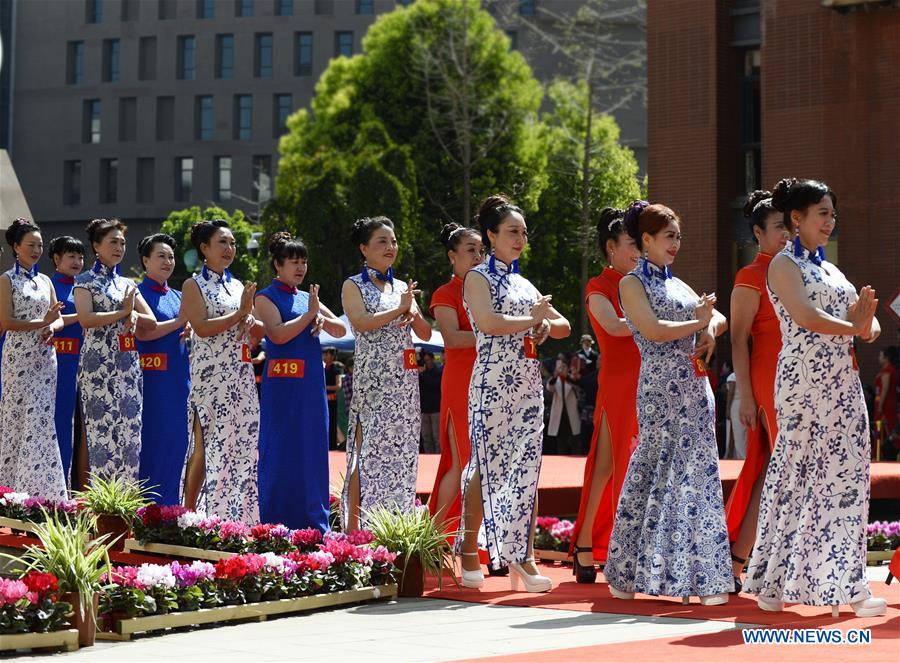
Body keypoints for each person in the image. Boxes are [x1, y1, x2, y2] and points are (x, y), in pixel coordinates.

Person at [744, 178, 885, 618]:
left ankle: (851, 586)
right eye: (822, 213)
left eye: (832, 213)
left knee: (848, 478)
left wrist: (864, 325)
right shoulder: (782, 265)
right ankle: (771, 579)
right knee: (794, 476)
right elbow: (806, 316)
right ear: (797, 218)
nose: (830, 220)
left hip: (843, 381)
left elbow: (866, 324)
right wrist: (855, 326)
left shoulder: (831, 268)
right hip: (804, 383)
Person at [605, 201, 732, 606]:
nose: (676, 243)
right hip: (660, 391)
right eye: (669, 236)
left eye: (678, 236)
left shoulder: (678, 284)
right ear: (646, 240)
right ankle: (626, 572)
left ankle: (703, 579)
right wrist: (699, 322)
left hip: (695, 391)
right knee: (654, 473)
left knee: (699, 478)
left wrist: (709, 327)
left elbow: (719, 317)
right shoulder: (631, 283)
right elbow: (654, 330)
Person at [460, 194, 571, 593]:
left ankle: (521, 556)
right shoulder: (477, 277)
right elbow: (488, 322)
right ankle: (469, 547)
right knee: (485, 463)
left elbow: (564, 326)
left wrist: (541, 325)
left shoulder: (524, 281)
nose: (520, 238)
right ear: (491, 235)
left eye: (524, 232)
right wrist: (533, 319)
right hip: (492, 379)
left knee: (526, 466)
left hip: (527, 382)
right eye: (512, 232)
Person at [340, 216, 432, 531]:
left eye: (393, 241)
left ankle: (395, 525)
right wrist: (399, 308)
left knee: (402, 453)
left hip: (405, 384)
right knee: (364, 454)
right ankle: (354, 529)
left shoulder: (401, 287)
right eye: (382, 241)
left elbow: (425, 332)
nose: (390, 247)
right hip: (373, 383)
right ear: (363, 248)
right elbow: (361, 323)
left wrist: (411, 308)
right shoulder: (353, 284)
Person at [570, 207, 641, 583]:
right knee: (609, 467)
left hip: (652, 380)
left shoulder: (650, 281)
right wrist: (654, 320)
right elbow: (612, 327)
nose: (638, 251)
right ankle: (595, 545)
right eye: (632, 244)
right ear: (611, 247)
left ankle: (597, 545)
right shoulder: (599, 286)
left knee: (623, 465)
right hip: (619, 381)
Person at [256, 232, 346, 530]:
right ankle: (277, 521)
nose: (300, 268)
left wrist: (319, 317)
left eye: (304, 262)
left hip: (309, 385)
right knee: (281, 447)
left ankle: (314, 521)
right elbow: (277, 334)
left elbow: (338, 329)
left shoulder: (309, 298)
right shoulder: (265, 296)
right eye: (294, 262)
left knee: (312, 447)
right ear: (278, 265)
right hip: (282, 385)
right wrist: (309, 316)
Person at [723, 189, 790, 591]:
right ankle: (762, 564)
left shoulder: (797, 268)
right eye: (779, 227)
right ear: (758, 233)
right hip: (769, 377)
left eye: (789, 226)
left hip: (802, 377)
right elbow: (738, 340)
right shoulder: (750, 275)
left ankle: (736, 561)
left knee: (770, 470)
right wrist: (746, 394)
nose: (786, 234)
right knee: (780, 468)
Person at [180, 219, 262, 523]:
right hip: (210, 377)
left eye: (232, 243)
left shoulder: (238, 284)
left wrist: (248, 320)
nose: (230, 249)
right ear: (204, 249)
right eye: (222, 243)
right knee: (206, 444)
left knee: (241, 444)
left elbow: (244, 323)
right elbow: (200, 327)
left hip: (239, 374)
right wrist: (240, 313)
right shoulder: (192, 284)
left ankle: (233, 513)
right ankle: (189, 514)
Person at [74, 219, 156, 485]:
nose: (119, 247)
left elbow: (151, 320)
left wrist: (133, 316)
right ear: (96, 246)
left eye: (122, 242)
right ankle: (101, 504)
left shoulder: (128, 283)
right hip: (97, 365)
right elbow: (86, 319)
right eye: (113, 242)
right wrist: (123, 312)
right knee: (101, 436)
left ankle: (125, 503)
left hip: (127, 365)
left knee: (130, 434)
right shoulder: (84, 280)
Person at [0, 218, 67, 499]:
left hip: (45, 357)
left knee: (41, 420)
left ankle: (42, 492)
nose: (37, 250)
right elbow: (5, 321)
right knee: (17, 419)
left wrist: (51, 327)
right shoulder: (6, 279)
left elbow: (59, 318)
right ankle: (10, 490)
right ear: (16, 247)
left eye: (40, 245)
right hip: (18, 357)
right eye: (31, 245)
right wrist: (41, 322)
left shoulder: (45, 280)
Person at [427, 223, 483, 534]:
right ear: (452, 256)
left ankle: (476, 540)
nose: (478, 256)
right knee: (461, 461)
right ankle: (433, 537)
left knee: (485, 464)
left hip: (489, 381)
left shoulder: (488, 288)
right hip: (461, 382)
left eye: (481, 250)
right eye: (470, 250)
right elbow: (451, 337)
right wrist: (493, 330)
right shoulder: (445, 293)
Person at [135, 234, 191, 505]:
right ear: (145, 261)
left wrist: (187, 327)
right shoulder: (135, 293)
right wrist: (181, 321)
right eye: (161, 256)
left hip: (177, 380)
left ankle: (171, 505)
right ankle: (146, 506)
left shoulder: (180, 296)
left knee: (177, 440)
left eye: (170, 257)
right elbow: (144, 332)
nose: (168, 261)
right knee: (150, 441)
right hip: (148, 380)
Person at [48, 235, 85, 484]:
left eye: (81, 257)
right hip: (57, 366)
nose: (77, 261)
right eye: (71, 256)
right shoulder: (48, 286)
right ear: (56, 259)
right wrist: (84, 315)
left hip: (85, 365)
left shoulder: (84, 287)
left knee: (83, 431)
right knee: (59, 425)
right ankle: (57, 489)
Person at [545, 360, 581, 455]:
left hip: (571, 414)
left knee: (575, 439)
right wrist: (555, 376)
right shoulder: (554, 380)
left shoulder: (571, 379)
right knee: (561, 441)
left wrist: (570, 377)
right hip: (560, 415)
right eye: (560, 367)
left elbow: (578, 386)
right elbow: (549, 387)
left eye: (564, 367)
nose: (562, 369)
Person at [418, 351, 443, 453]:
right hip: (424, 409)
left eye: (427, 360)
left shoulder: (438, 371)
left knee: (437, 437)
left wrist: (423, 374)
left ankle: (437, 459)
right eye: (424, 361)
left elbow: (435, 385)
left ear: (432, 359)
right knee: (426, 437)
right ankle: (429, 459)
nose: (426, 363)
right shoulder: (420, 374)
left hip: (435, 409)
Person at [874, 346, 897, 453]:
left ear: (886, 358)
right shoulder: (886, 370)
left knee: (886, 426)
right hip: (883, 402)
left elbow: (885, 389)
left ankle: (886, 452)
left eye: (881, 355)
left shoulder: (888, 370)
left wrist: (880, 406)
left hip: (885, 403)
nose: (879, 357)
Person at [323, 347, 341, 449]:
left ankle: (332, 445)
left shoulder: (336, 370)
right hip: (322, 400)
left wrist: (324, 387)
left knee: (332, 422)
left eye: (327, 354)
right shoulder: (322, 368)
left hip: (332, 400)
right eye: (324, 354)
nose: (324, 356)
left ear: (332, 356)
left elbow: (338, 386)